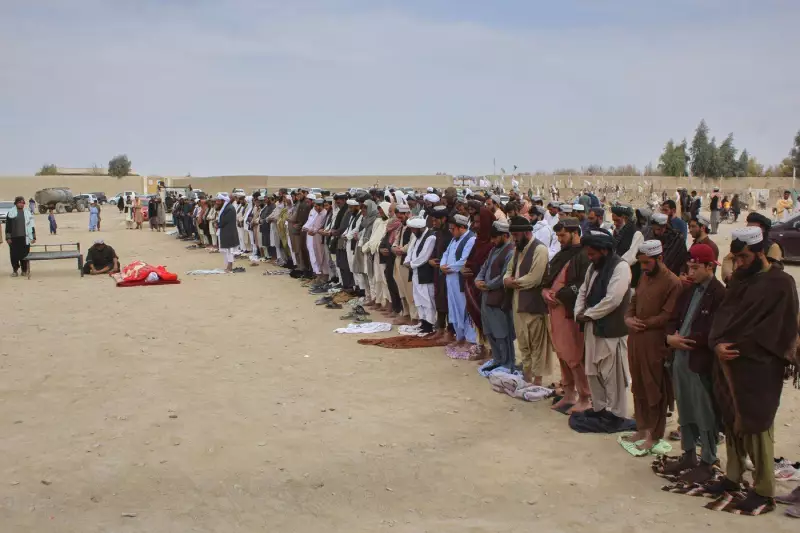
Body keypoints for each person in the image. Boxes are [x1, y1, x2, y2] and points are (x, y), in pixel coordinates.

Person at [706, 226, 799, 514]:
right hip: (727, 366)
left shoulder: (781, 284)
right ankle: (733, 477)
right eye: (736, 258)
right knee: (732, 422)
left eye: (744, 257)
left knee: (757, 426)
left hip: (760, 369)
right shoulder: (739, 280)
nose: (739, 263)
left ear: (760, 253)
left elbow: (781, 328)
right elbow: (723, 318)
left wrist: (740, 347)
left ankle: (763, 490)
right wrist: (717, 344)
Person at [662, 243, 725, 483]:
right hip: (680, 359)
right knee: (686, 408)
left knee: (704, 412)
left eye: (696, 268)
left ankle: (708, 460)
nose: (691, 272)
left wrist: (689, 341)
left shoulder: (719, 294)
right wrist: (670, 338)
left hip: (699, 362)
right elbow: (673, 318)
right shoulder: (688, 290)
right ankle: (688, 454)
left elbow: (716, 330)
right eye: (690, 267)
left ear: (710, 267)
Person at [623, 240, 682, 451]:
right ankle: (642, 428)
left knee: (654, 389)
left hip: (655, 342)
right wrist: (629, 319)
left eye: (647, 263)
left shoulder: (673, 282)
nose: (643, 267)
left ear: (659, 258)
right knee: (638, 385)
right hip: (636, 339)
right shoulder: (644, 276)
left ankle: (655, 435)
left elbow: (667, 315)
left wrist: (644, 324)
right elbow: (633, 301)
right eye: (641, 263)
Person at [574, 229, 632, 425]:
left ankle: (617, 413)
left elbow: (613, 299)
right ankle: (599, 408)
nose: (589, 258)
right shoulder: (593, 267)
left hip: (612, 331)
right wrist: (578, 312)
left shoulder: (621, 267)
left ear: (604, 251)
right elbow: (583, 291)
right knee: (592, 371)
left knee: (613, 374)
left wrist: (588, 314)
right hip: (592, 328)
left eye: (592, 254)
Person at [543, 218, 591, 413]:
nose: (560, 239)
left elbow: (584, 284)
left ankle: (585, 397)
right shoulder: (562, 254)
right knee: (562, 353)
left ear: (575, 233)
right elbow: (548, 278)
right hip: (555, 312)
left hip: (570, 313)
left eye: (563, 235)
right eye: (558, 236)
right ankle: (569, 394)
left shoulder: (584, 255)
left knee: (574, 356)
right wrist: (545, 291)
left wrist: (560, 295)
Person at [504, 216, 552, 385]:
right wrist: (506, 279)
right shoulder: (518, 249)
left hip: (533, 305)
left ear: (526, 233)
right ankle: (527, 376)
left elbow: (534, 278)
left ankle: (537, 381)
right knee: (523, 343)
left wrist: (513, 283)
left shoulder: (540, 249)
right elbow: (509, 269)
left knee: (537, 345)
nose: (514, 239)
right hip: (518, 303)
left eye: (516, 235)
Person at [475, 221, 516, 371]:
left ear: (505, 236)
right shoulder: (494, 250)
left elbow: (504, 275)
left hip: (499, 298)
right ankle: (497, 360)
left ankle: (507, 363)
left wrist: (488, 285)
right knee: (490, 331)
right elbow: (484, 267)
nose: (492, 241)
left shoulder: (510, 252)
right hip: (486, 297)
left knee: (501, 332)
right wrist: (478, 280)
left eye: (495, 238)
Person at [440, 214, 477, 347]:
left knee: (464, 309)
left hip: (461, 281)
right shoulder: (454, 239)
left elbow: (464, 261)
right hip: (450, 279)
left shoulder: (471, 239)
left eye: (453, 228)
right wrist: (442, 266)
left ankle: (470, 339)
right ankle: (459, 336)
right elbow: (446, 253)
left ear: (461, 227)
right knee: (454, 309)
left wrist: (448, 268)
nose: (451, 231)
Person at [720, 212, 783, 283]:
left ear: (763, 229)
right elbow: (728, 259)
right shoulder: (744, 244)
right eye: (748, 228)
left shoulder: (773, 247)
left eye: (753, 228)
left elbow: (774, 270)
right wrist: (729, 277)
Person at [404, 216, 437, 334]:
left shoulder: (431, 237)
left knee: (427, 299)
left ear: (420, 228)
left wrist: (412, 264)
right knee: (418, 298)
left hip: (425, 273)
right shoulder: (416, 236)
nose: (412, 231)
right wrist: (407, 261)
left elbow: (424, 256)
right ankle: (423, 321)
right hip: (416, 273)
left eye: (414, 229)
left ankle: (430, 324)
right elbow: (410, 251)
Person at [5, 196, 35, 277]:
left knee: (24, 255)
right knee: (14, 255)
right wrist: (8, 237)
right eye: (19, 202)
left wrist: (33, 236)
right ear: (16, 203)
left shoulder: (27, 213)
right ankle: (15, 271)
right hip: (14, 238)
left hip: (25, 238)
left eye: (23, 203)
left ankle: (24, 270)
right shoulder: (11, 213)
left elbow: (31, 225)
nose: (21, 204)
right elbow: (8, 226)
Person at [611, 204, 644, 268]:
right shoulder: (617, 232)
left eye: (617, 220)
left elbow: (631, 257)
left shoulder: (637, 234)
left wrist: (615, 265)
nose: (615, 223)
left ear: (626, 218)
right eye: (614, 220)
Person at [216, 193, 239, 273]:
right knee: (226, 250)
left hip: (229, 232)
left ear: (223, 201)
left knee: (229, 251)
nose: (217, 203)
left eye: (218, 201)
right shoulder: (226, 207)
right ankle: (227, 266)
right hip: (225, 231)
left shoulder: (230, 208)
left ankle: (230, 267)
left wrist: (218, 224)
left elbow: (225, 221)